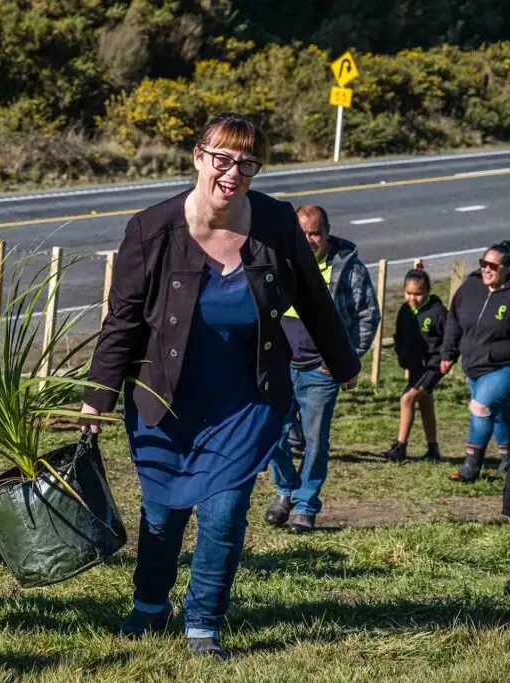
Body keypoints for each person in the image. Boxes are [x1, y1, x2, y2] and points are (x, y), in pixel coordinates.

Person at [79, 113, 360, 657]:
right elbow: (123, 321)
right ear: (198, 157)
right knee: (162, 512)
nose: (233, 173)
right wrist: (98, 396)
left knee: (226, 512)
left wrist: (343, 363)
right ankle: (150, 606)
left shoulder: (277, 222)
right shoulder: (151, 229)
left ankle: (204, 620)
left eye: (247, 163)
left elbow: (314, 300)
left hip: (244, 398)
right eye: (223, 159)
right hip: (165, 397)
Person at [267, 205, 379, 533]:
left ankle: (305, 505)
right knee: (271, 432)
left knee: (315, 442)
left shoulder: (349, 269)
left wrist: (346, 358)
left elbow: (367, 315)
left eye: (314, 233)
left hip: (320, 371)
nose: (309, 239)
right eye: (302, 233)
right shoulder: (281, 262)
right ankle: (285, 489)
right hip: (280, 365)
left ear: (327, 232)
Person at [441, 241, 510, 482]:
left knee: (480, 407)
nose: (486, 269)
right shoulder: (470, 287)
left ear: (507, 269)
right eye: (484, 263)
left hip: (503, 367)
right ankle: (507, 461)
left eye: (493, 265)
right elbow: (454, 320)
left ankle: (471, 467)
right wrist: (448, 353)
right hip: (474, 365)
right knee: (500, 412)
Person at [382, 267, 446, 462]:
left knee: (407, 399)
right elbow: (400, 335)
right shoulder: (404, 311)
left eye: (418, 294)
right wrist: (401, 353)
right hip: (414, 365)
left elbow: (452, 337)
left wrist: (447, 357)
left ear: (427, 291)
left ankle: (400, 448)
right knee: (425, 402)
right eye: (408, 293)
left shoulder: (438, 312)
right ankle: (433, 449)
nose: (412, 298)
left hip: (433, 366)